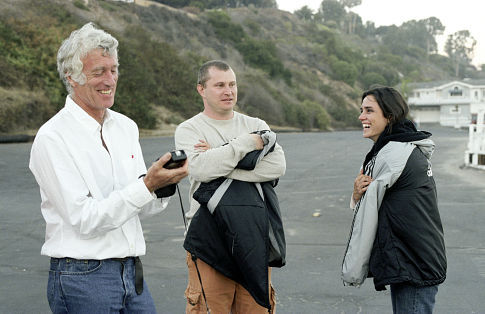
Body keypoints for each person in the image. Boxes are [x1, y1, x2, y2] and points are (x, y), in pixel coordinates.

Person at [29, 22, 188, 313]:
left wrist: (163, 186)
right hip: (82, 278)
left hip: (132, 274)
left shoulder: (125, 127)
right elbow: (85, 219)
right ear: (72, 77)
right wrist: (146, 186)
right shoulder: (52, 138)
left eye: (113, 69)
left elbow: (138, 206)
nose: (110, 79)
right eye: (98, 72)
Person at [174, 60, 286, 313]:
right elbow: (200, 169)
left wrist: (218, 156)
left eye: (232, 84)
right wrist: (245, 144)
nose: (228, 91)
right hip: (208, 239)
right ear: (201, 89)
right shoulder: (189, 129)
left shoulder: (257, 124)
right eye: (220, 85)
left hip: (254, 237)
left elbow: (277, 166)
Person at [341, 86, 447, 313]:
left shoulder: (394, 154)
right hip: (413, 257)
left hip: (413, 261)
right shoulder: (402, 146)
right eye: (361, 110)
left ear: (389, 115)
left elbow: (366, 214)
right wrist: (357, 193)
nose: (361, 116)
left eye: (369, 111)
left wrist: (354, 270)